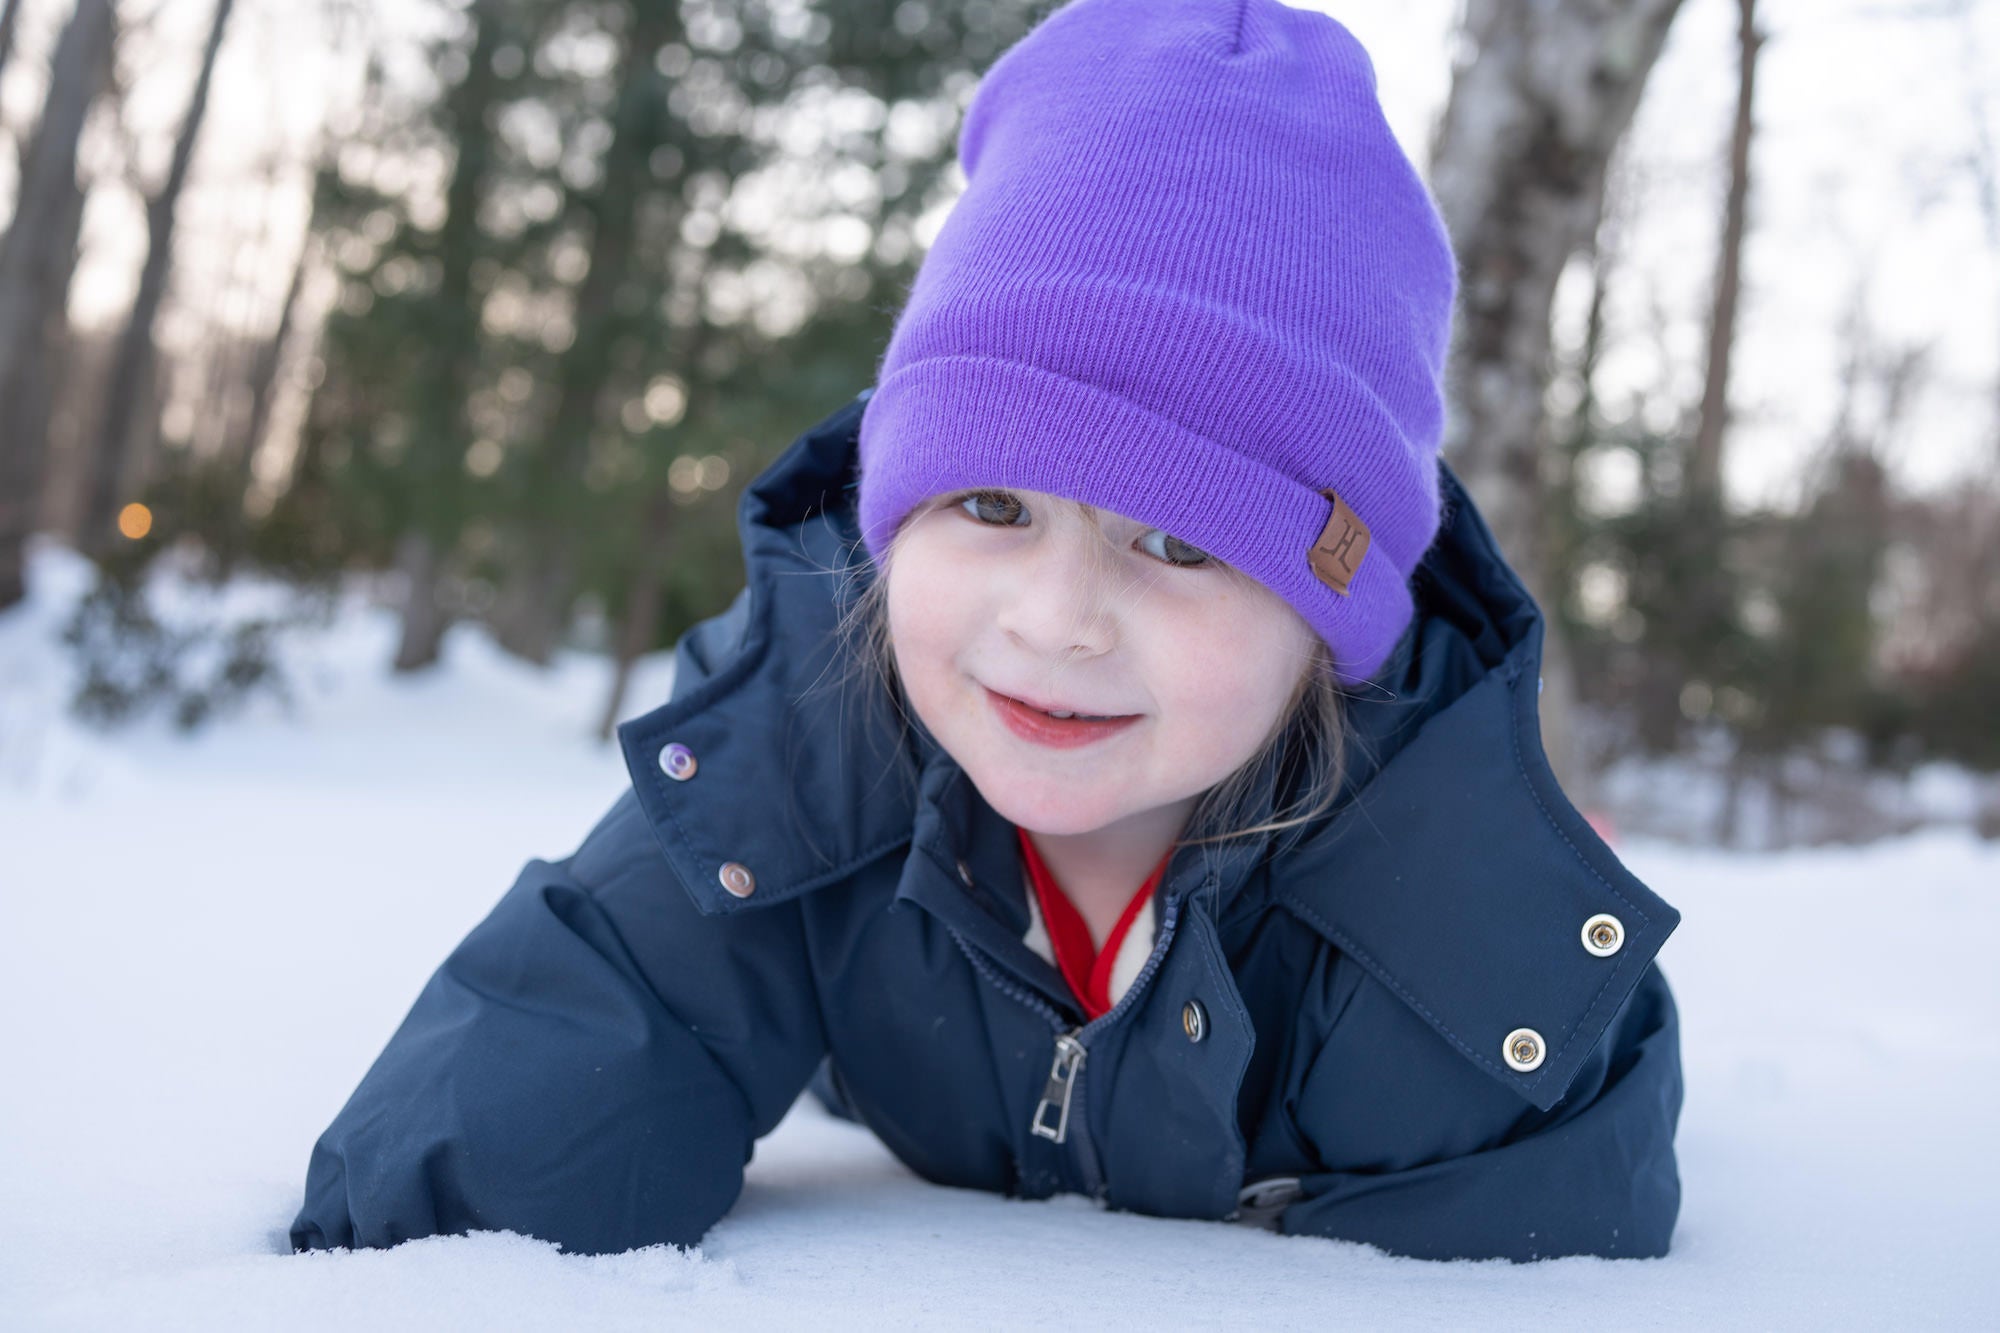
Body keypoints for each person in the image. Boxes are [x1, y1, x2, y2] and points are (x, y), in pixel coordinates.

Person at [291, 0, 1683, 1264]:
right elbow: (523, 1117)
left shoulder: (1440, 942)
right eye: (992, 502)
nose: (1057, 620)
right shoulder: (800, 749)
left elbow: (1537, 1239)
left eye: (1181, 542)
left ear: (1328, 616)